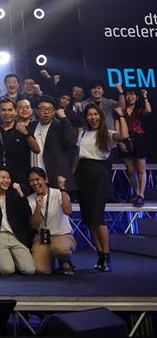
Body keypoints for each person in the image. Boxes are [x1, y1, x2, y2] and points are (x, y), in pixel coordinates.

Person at [75, 104, 129, 272]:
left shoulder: (108, 133)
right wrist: (72, 176)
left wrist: (121, 116)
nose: (93, 117)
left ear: (100, 116)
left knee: (98, 218)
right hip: (82, 174)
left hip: (98, 174)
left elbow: (124, 136)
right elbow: (78, 157)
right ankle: (99, 254)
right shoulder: (82, 133)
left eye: (96, 114)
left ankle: (106, 256)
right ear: (86, 117)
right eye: (90, 114)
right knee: (89, 219)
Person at [0, 166, 35, 275]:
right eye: (3, 177)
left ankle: (14, 260)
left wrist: (21, 194)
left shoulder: (13, 195)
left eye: (8, 178)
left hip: (15, 235)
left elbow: (27, 213)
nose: (6, 180)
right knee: (7, 270)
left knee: (30, 270)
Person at [27, 167, 76, 275]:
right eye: (31, 181)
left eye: (37, 179)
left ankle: (64, 261)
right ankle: (51, 259)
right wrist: (38, 207)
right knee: (40, 270)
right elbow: (34, 226)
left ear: (45, 180)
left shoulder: (59, 193)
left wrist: (63, 189)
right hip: (43, 237)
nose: (35, 183)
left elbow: (68, 211)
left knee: (61, 249)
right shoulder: (30, 199)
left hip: (61, 235)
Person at [0, 98, 40, 191]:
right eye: (4, 110)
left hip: (21, 179)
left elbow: (37, 150)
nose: (7, 113)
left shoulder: (24, 128)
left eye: (10, 110)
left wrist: (26, 134)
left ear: (15, 111)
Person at [30, 96, 77, 192]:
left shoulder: (60, 126)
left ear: (54, 111)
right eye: (42, 109)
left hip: (56, 178)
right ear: (36, 111)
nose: (46, 112)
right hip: (35, 178)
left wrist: (64, 118)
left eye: (49, 109)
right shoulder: (31, 126)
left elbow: (71, 141)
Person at [120, 88, 151, 206]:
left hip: (139, 140)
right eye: (128, 95)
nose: (130, 97)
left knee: (141, 169)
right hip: (125, 140)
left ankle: (141, 195)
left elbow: (149, 110)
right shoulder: (122, 111)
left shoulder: (139, 110)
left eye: (132, 95)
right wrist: (120, 142)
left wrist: (145, 96)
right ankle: (137, 193)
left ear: (137, 97)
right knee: (130, 169)